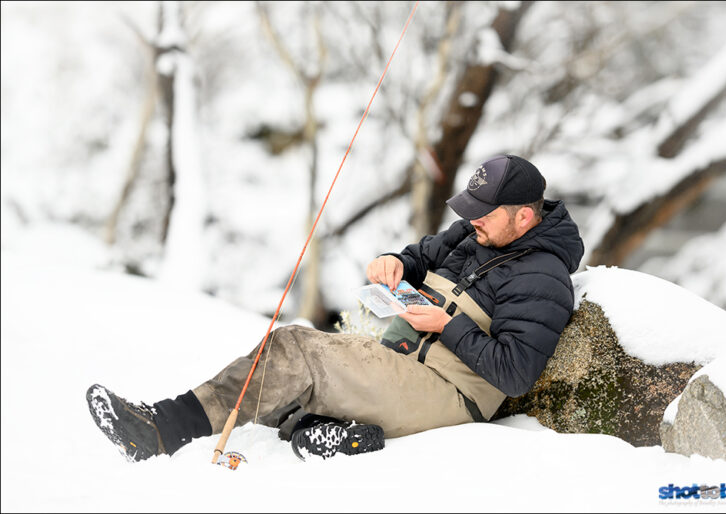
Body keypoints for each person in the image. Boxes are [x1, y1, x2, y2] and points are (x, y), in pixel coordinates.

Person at [87, 154, 584, 462]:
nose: (470, 221)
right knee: (288, 383)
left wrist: (448, 325)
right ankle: (333, 431)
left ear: (523, 216)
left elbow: (515, 373)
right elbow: (419, 257)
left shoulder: (543, 278)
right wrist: (394, 263)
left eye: (483, 214)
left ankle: (161, 430)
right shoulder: (472, 235)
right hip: (401, 358)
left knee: (294, 352)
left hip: (451, 394)